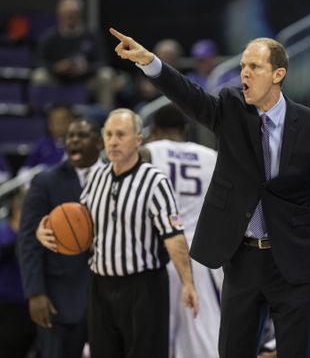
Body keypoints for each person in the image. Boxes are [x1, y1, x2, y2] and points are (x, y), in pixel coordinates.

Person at [109, 28, 310, 358]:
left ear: (278, 74)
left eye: (255, 67)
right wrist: (151, 63)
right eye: (242, 67)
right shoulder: (231, 107)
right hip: (242, 259)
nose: (245, 74)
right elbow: (190, 96)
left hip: (294, 262)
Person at [79, 108, 198, 358]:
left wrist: (188, 283)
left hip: (143, 289)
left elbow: (174, 236)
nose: (112, 141)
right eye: (109, 134)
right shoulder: (96, 177)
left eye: (121, 134)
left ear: (138, 140)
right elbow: (81, 224)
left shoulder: (155, 181)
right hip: (101, 286)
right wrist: (46, 231)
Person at [18, 117, 103, 358]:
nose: (74, 140)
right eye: (70, 136)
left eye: (82, 135)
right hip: (59, 297)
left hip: (108, 295)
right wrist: (35, 292)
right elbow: (28, 238)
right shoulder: (45, 181)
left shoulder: (114, 177)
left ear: (98, 142)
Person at [141, 104, 221, 358]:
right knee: (203, 334)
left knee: (157, 333)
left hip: (160, 253)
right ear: (185, 130)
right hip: (202, 256)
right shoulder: (212, 156)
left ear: (154, 131)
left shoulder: (148, 152)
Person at [31, 0, 115, 109]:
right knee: (39, 76)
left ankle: (105, 115)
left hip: (85, 79)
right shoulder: (49, 37)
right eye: (66, 14)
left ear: (80, 14)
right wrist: (56, 67)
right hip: (58, 78)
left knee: (106, 75)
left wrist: (87, 68)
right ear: (59, 15)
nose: (70, 17)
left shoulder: (92, 36)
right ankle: (38, 115)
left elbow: (103, 61)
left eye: (73, 14)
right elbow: (38, 62)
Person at [0, 189, 36, 358]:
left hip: (32, 304)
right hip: (8, 305)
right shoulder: (4, 233)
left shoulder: (36, 236)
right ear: (15, 211)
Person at [19, 105, 74, 173]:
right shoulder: (42, 144)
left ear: (72, 122)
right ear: (49, 124)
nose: (59, 124)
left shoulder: (77, 144)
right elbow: (25, 169)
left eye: (63, 120)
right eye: (55, 121)